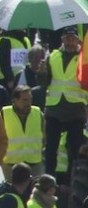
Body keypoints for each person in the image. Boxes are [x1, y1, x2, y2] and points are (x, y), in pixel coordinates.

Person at [39, 26, 88, 184]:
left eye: (73, 39)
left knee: (75, 151)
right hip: (55, 108)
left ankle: (75, 181)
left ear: (78, 40)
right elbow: (44, 83)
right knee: (51, 149)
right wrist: (41, 73)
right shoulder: (52, 56)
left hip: (76, 109)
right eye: (67, 38)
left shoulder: (84, 57)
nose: (70, 42)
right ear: (62, 40)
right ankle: (48, 181)